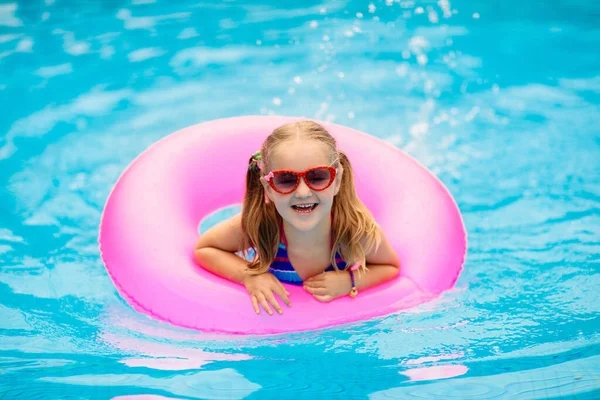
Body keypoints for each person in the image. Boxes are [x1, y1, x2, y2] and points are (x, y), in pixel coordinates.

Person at [194, 120, 400, 315]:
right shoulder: (262, 224)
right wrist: (249, 276)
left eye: (318, 177)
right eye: (285, 180)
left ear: (337, 181)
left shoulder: (353, 229)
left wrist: (350, 281)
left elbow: (389, 266)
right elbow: (205, 249)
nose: (302, 192)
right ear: (269, 188)